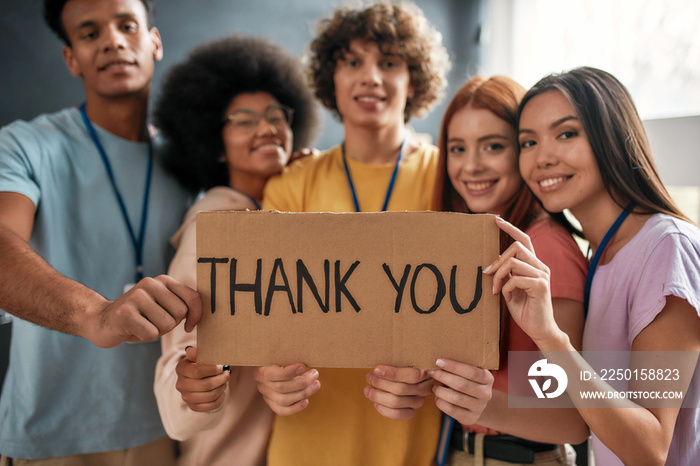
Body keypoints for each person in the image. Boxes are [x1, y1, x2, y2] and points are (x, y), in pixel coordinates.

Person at [254, 3, 479, 465]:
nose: (370, 77)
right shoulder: (291, 185)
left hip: (413, 444)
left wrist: (432, 373)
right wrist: (266, 372)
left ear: (413, 79)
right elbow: (264, 319)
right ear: (330, 80)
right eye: (352, 62)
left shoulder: (453, 178)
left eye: (389, 63)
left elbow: (471, 312)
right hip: (307, 443)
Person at [0, 0, 201, 463]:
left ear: (154, 41)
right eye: (89, 33)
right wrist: (96, 314)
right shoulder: (25, 145)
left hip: (163, 432)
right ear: (71, 58)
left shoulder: (191, 161)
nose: (112, 40)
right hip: (51, 437)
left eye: (127, 25)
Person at [488, 66, 700, 465]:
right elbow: (580, 408)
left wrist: (551, 337)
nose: (543, 157)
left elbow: (651, 446)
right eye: (528, 142)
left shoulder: (667, 248)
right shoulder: (600, 255)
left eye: (567, 133)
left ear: (613, 138)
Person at [152, 35, 319, 466]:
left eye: (275, 116)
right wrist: (193, 388)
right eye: (243, 121)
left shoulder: (279, 211)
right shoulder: (216, 223)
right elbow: (182, 351)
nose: (265, 128)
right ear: (214, 142)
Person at [428, 76, 588, 465]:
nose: (471, 165)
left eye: (493, 146)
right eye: (457, 148)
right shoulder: (475, 243)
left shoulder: (545, 249)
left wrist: (481, 405)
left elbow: (575, 419)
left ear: (523, 151)